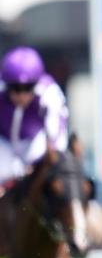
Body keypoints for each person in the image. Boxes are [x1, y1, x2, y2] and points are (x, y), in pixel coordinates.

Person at [0, 47, 69, 186]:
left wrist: (50, 157)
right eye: (15, 88)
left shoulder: (49, 92)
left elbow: (57, 133)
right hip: (3, 143)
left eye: (28, 88)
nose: (22, 95)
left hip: (33, 143)